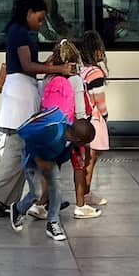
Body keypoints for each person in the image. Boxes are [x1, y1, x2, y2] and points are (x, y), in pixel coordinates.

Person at [0, 0, 76, 219]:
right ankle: (1, 196)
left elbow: (28, 65)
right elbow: (27, 65)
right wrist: (59, 69)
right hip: (21, 96)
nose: (41, 24)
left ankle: (6, 198)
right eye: (40, 19)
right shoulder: (20, 33)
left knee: (21, 151)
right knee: (19, 149)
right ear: (29, 13)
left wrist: (46, 65)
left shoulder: (17, 31)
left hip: (20, 94)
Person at [9, 107, 95, 241]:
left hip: (49, 158)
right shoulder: (53, 132)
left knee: (56, 187)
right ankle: (18, 208)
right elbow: (29, 140)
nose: (86, 146)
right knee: (36, 192)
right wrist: (39, 160)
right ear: (78, 139)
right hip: (32, 158)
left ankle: (53, 222)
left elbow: (61, 154)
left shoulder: (70, 139)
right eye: (85, 143)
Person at [41, 40, 99, 219]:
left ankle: (41, 204)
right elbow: (80, 111)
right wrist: (84, 130)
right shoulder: (75, 80)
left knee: (51, 166)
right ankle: (80, 206)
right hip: (72, 131)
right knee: (79, 165)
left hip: (51, 129)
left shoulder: (48, 79)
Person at [80, 30, 110, 209]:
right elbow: (100, 100)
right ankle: (85, 196)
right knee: (89, 162)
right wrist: (105, 116)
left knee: (85, 160)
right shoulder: (96, 73)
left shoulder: (82, 71)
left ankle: (85, 193)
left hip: (83, 119)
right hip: (94, 120)